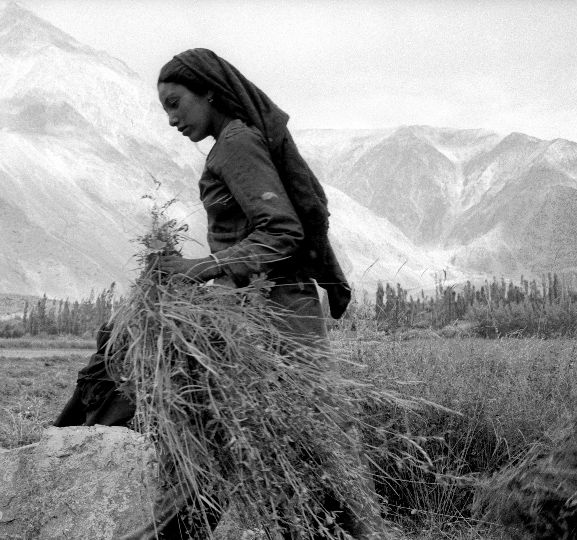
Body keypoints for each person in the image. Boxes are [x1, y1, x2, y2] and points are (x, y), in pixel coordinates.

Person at [57, 49, 378, 538]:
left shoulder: (235, 144)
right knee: (241, 433)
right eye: (164, 108)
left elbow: (282, 232)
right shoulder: (234, 142)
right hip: (266, 308)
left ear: (209, 92)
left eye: (176, 103)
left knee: (263, 437)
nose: (171, 119)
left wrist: (197, 268)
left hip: (273, 314)